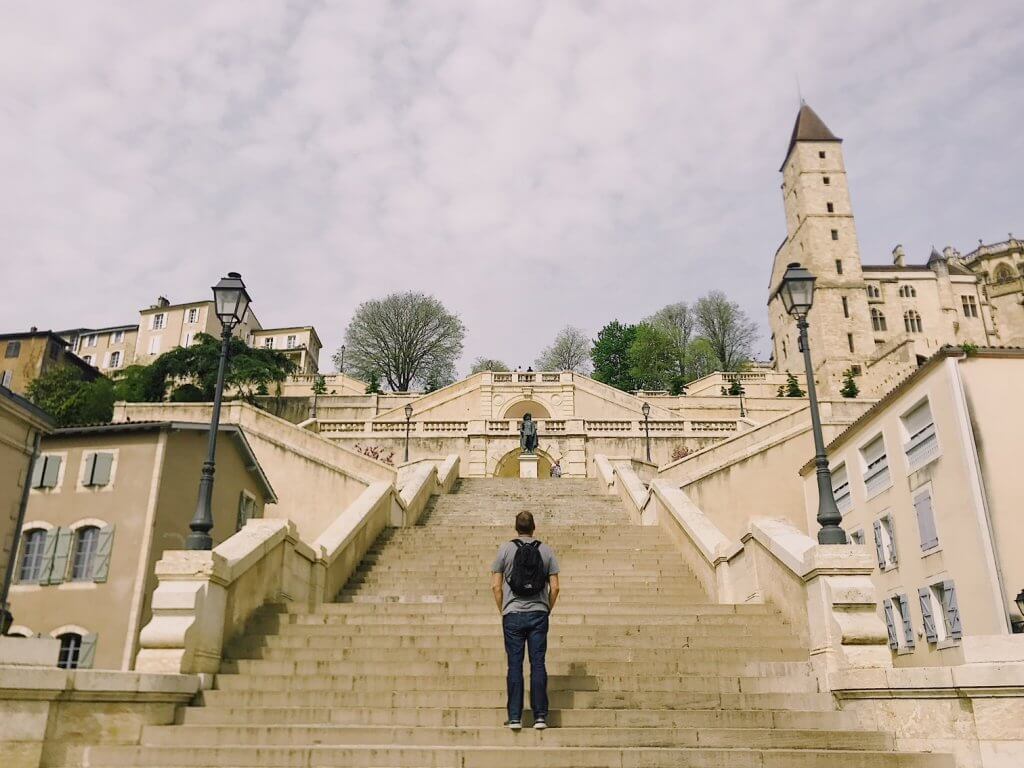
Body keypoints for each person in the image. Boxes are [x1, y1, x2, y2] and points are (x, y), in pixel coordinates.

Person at [490, 511, 560, 731]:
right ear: (534, 527)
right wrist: (546, 608)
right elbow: (556, 587)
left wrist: (503, 609)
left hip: (513, 614)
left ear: (516, 527)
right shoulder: (546, 550)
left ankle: (514, 717)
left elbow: (495, 585)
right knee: (538, 664)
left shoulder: (505, 549)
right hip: (539, 613)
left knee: (515, 665)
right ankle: (540, 717)